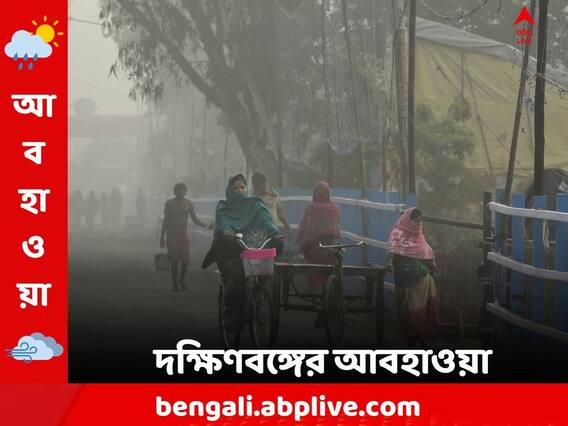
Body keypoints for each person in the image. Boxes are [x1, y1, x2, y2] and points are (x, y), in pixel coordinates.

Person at [202, 174, 283, 330]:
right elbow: (223, 223)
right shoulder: (223, 207)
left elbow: (266, 221)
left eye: (242, 187)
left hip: (255, 247)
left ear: (247, 189)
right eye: (236, 188)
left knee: (266, 276)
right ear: (230, 190)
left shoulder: (256, 204)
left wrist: (275, 233)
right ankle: (231, 315)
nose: (240, 190)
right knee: (236, 280)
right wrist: (227, 232)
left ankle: (260, 299)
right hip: (232, 248)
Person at [386, 207, 439, 348]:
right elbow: (392, 251)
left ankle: (418, 337)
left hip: (420, 277)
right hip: (404, 276)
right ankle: (412, 337)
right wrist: (389, 263)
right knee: (406, 307)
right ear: (409, 220)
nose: (418, 225)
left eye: (420, 222)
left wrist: (430, 266)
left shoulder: (419, 235)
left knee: (419, 307)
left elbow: (426, 253)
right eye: (416, 221)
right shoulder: (398, 233)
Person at [160, 183, 207, 291]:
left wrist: (204, 225)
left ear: (186, 192)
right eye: (179, 191)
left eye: (183, 190)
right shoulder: (169, 204)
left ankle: (181, 279)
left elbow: (194, 219)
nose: (182, 192)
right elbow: (166, 221)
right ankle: (175, 283)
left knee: (185, 261)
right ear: (175, 192)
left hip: (183, 234)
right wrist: (162, 237)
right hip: (171, 234)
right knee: (175, 260)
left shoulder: (189, 203)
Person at [297, 181, 341, 288]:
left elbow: (305, 228)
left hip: (313, 252)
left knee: (313, 275)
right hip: (329, 253)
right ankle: (328, 290)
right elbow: (335, 228)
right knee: (329, 272)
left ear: (315, 193)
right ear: (328, 193)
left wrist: (300, 243)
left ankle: (313, 290)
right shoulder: (335, 208)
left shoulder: (311, 207)